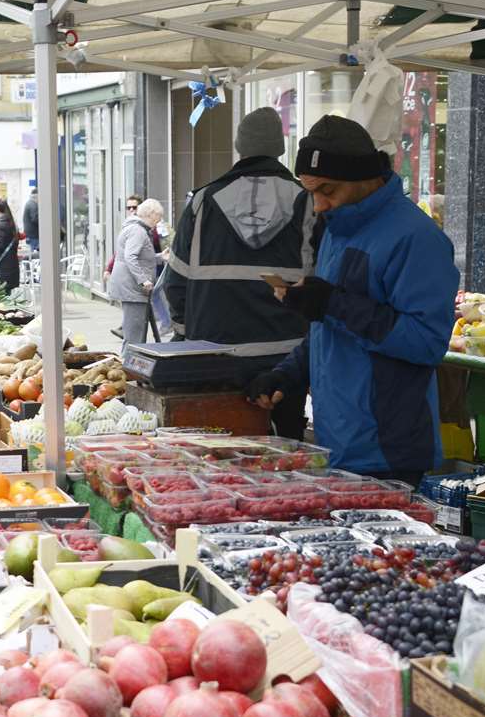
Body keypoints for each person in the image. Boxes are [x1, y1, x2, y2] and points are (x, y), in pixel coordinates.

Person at [247, 116, 459, 484]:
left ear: (364, 177)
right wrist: (288, 373)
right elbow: (330, 328)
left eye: (327, 190)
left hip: (388, 451)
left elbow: (427, 342)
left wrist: (331, 302)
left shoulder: (416, 238)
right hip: (337, 442)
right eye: (311, 192)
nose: (319, 206)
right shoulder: (338, 229)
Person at [161, 107, 310, 439]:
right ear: (281, 147)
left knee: (216, 455)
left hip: (214, 358)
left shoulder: (203, 201)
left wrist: (187, 336)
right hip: (284, 362)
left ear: (239, 146)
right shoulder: (307, 201)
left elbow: (176, 283)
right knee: (287, 461)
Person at [108, 198, 165, 351]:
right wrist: (144, 280)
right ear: (151, 214)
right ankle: (128, 369)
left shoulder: (135, 228)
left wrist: (160, 257)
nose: (159, 221)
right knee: (134, 336)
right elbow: (130, 257)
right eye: (158, 216)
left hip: (130, 288)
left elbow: (140, 257)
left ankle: (129, 368)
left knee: (135, 333)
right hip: (133, 289)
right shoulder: (137, 231)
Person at [0, 198, 20, 291]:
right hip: (11, 264)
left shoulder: (1, 224)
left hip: (4, 267)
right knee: (7, 294)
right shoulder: (10, 222)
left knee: (1, 295)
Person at [22, 187, 39, 255]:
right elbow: (35, 218)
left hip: (30, 234)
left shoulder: (29, 203)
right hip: (34, 235)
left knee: (34, 252)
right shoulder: (33, 205)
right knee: (36, 254)